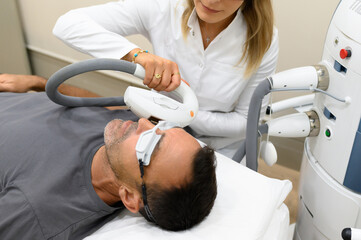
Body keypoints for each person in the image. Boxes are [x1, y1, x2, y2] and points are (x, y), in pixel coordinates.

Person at [0, 74, 217, 239]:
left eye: (149, 143)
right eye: (161, 127)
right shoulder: (120, 134)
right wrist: (37, 83)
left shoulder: (36, 211)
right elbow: (92, 103)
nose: (142, 122)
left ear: (130, 197)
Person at [52, 0, 278, 158]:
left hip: (220, 145)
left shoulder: (264, 39)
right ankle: (35, 82)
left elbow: (246, 122)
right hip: (157, 128)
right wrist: (137, 55)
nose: (212, 0)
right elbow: (67, 25)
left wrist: (182, 114)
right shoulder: (164, 6)